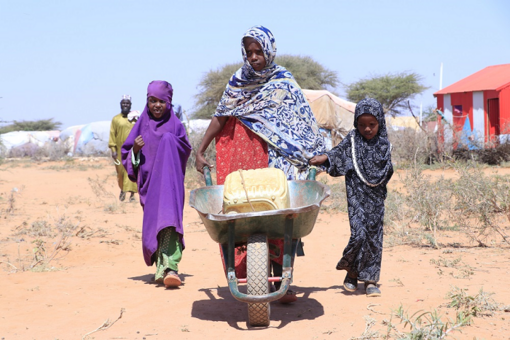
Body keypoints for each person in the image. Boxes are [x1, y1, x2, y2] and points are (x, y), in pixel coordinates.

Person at [195, 25, 326, 303]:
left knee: (278, 211)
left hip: (273, 157)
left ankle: (282, 280)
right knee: (243, 208)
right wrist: (201, 149)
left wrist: (314, 152)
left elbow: (300, 121)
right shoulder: (238, 81)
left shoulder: (283, 81)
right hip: (239, 154)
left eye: (258, 51)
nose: (253, 57)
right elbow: (221, 116)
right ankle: (249, 277)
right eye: (249, 52)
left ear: (269, 51)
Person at [309, 98, 393, 297]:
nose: (367, 129)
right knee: (359, 234)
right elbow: (339, 153)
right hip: (356, 192)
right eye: (362, 125)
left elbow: (387, 170)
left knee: (373, 236)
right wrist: (325, 158)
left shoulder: (384, 144)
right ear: (356, 123)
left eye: (372, 125)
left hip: (376, 196)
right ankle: (352, 272)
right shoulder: (353, 139)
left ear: (380, 122)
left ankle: (371, 279)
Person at [121, 81, 192, 288]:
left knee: (169, 221)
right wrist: (134, 149)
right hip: (149, 186)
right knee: (155, 226)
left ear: (169, 102)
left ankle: (171, 268)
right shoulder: (141, 124)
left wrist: (170, 141)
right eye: (152, 101)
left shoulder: (176, 126)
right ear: (147, 101)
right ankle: (160, 267)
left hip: (170, 185)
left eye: (162, 101)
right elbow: (127, 155)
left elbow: (184, 150)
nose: (157, 105)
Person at [108, 95, 140, 202]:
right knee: (120, 172)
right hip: (120, 152)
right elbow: (112, 134)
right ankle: (122, 190)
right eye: (123, 103)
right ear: (120, 105)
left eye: (127, 103)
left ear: (130, 105)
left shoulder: (135, 118)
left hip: (133, 150)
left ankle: (132, 195)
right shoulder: (116, 119)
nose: (125, 105)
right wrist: (113, 150)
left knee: (132, 170)